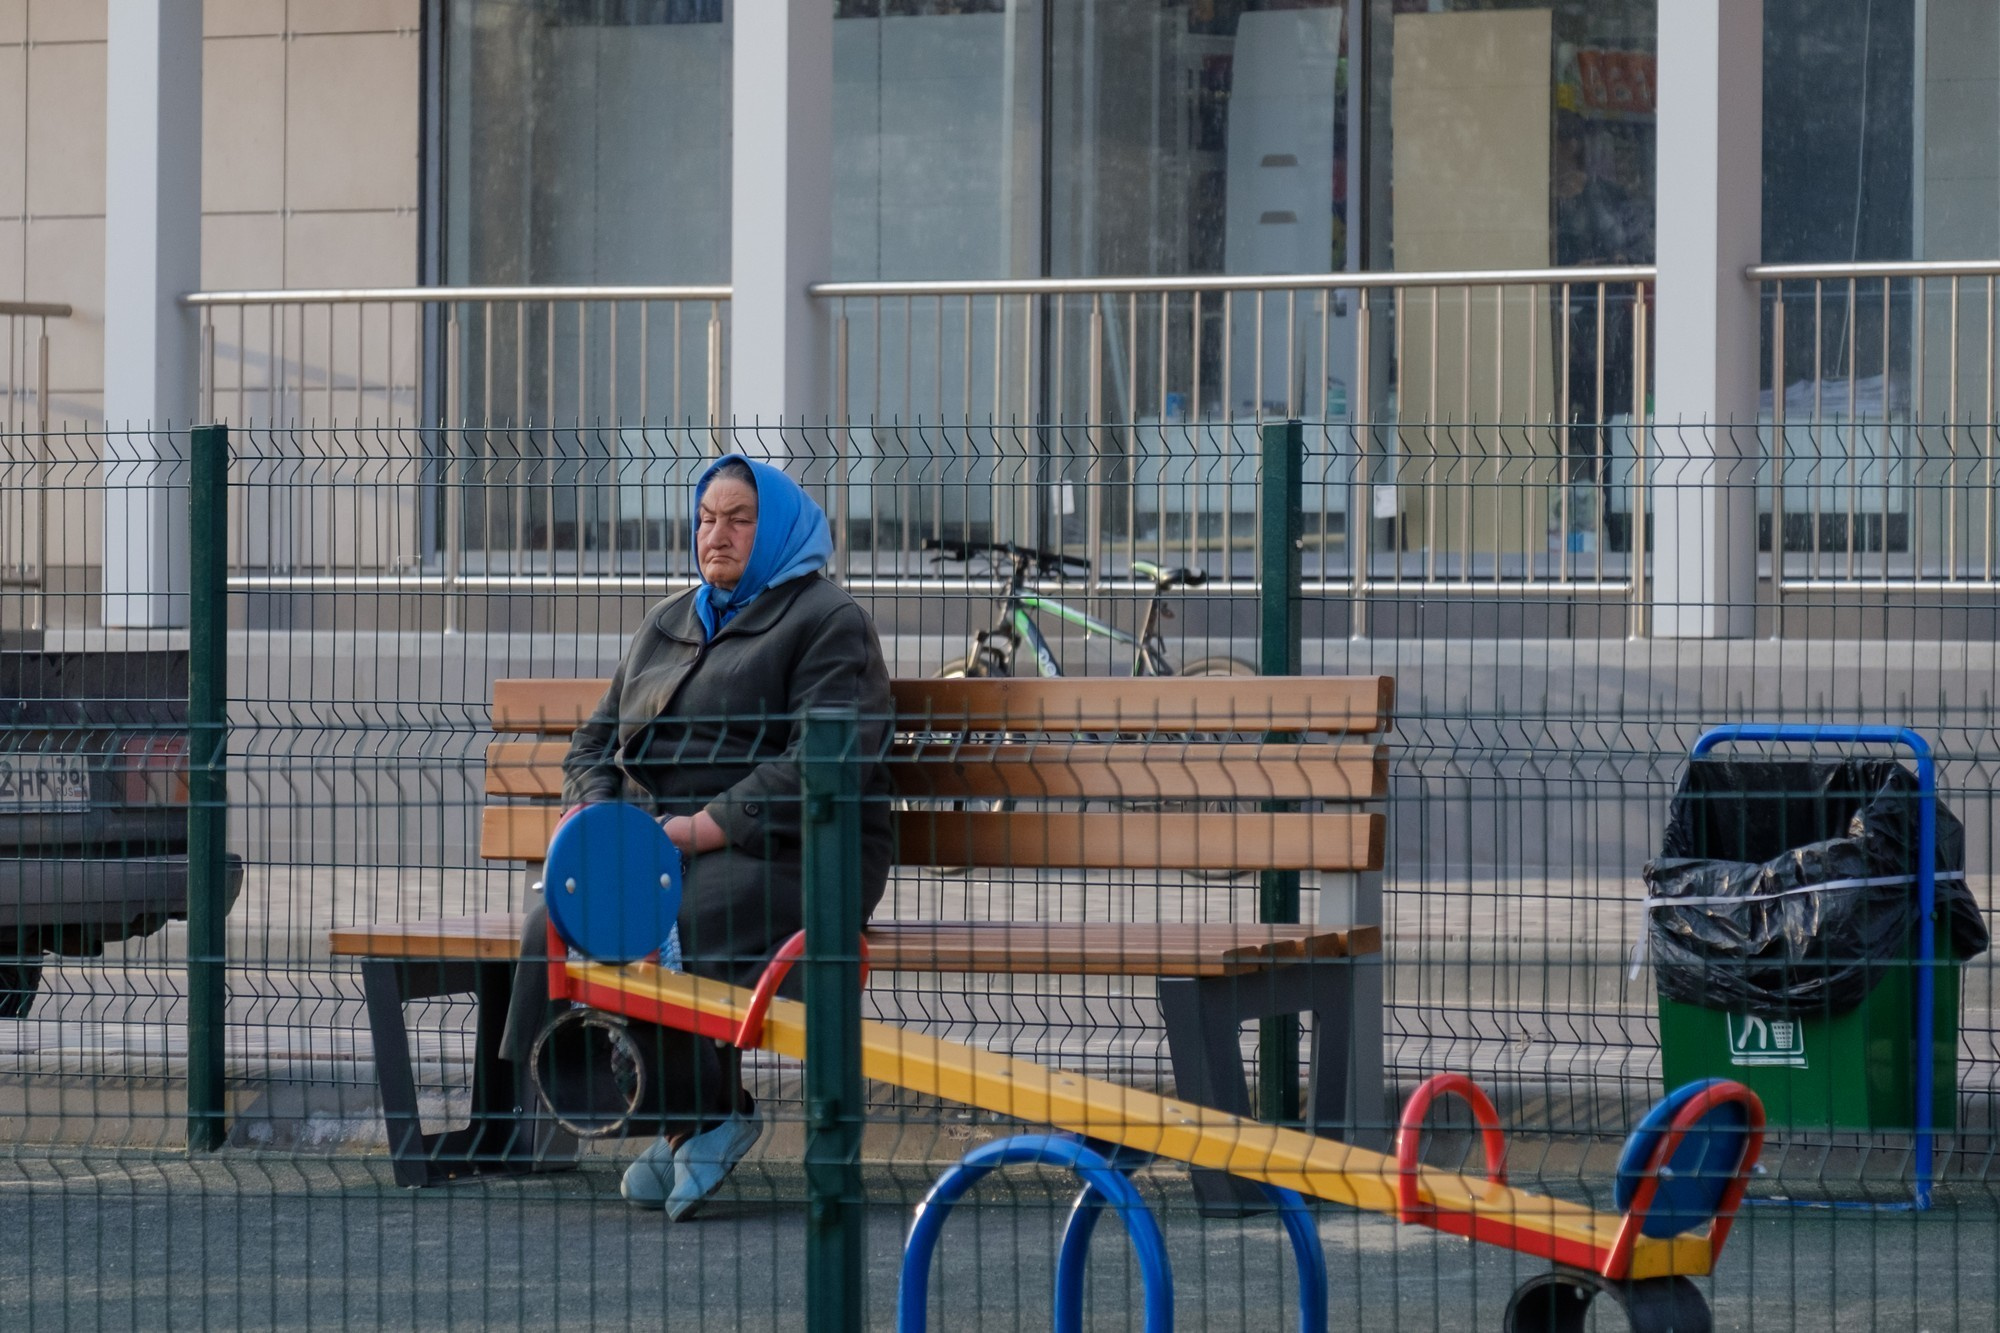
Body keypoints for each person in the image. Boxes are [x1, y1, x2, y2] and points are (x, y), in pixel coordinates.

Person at [500, 453, 894, 1220]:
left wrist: (697, 829)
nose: (718, 534)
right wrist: (591, 821)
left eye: (740, 519)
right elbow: (591, 745)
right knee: (556, 914)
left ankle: (703, 1114)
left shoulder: (825, 621)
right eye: (707, 518)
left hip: (796, 850)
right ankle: (661, 1110)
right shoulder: (668, 621)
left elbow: (823, 761)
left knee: (671, 912)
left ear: (775, 529)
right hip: (664, 843)